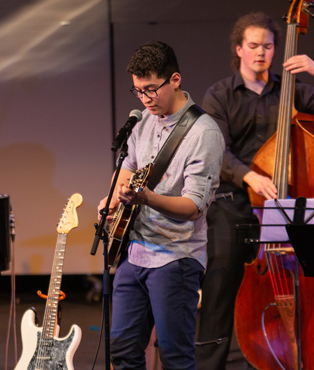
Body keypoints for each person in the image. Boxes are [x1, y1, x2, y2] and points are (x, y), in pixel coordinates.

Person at [194, 12, 314, 369]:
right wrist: (249, 176)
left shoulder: (290, 90)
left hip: (283, 207)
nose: (261, 52)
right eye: (253, 46)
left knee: (295, 292)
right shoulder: (219, 95)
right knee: (219, 296)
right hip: (233, 205)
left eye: (268, 46)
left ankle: (283, 360)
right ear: (239, 49)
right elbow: (214, 151)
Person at [98, 41, 224, 370]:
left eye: (151, 90)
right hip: (134, 253)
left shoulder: (204, 133)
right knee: (122, 352)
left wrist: (146, 197)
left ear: (175, 80)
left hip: (177, 258)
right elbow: (126, 171)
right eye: (138, 91)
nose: (144, 99)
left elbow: (195, 207)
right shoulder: (141, 123)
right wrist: (110, 201)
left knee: (175, 359)